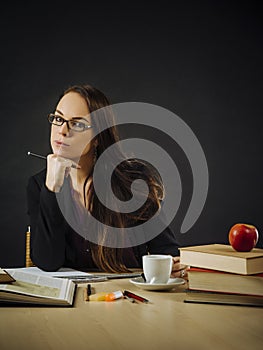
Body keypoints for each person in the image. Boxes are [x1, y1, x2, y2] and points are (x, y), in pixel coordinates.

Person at [26, 84, 188, 278]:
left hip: (128, 299)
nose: (62, 131)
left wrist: (171, 268)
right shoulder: (39, 185)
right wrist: (51, 188)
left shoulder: (131, 179)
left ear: (97, 137)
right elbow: (47, 262)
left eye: (77, 124)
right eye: (59, 119)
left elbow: (167, 251)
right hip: (72, 303)